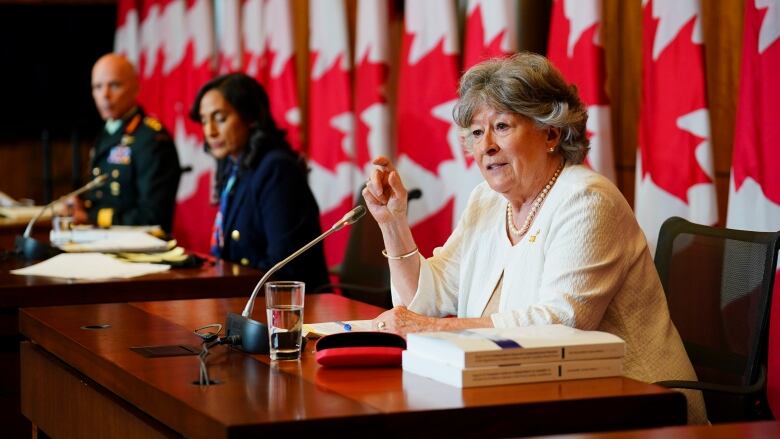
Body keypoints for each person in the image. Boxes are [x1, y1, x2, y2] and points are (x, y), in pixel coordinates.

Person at [364, 53, 707, 423]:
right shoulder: (487, 202)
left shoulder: (587, 199)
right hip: (527, 395)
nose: (487, 146)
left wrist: (435, 328)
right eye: (477, 133)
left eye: (502, 126)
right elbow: (426, 300)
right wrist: (393, 223)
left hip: (633, 404)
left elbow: (561, 324)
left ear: (551, 133)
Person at [190, 73, 329, 291]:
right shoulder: (235, 166)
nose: (210, 131)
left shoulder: (276, 169)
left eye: (220, 118)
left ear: (250, 118)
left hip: (287, 307)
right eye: (205, 120)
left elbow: (284, 268)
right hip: (243, 297)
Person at [69, 53, 181, 232]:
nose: (105, 95)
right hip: (103, 239)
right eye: (97, 87)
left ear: (135, 88)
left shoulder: (152, 139)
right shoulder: (108, 132)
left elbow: (153, 216)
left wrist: (92, 217)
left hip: (140, 248)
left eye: (114, 85)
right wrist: (81, 206)